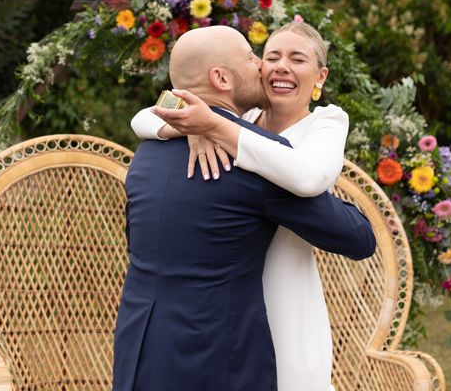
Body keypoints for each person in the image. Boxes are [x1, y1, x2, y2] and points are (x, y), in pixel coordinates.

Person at [113, 25, 375, 391]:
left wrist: (212, 125)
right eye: (260, 57)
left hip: (141, 348)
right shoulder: (245, 162)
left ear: (320, 75)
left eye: (296, 59)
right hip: (223, 346)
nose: (266, 67)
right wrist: (203, 126)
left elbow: (308, 175)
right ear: (220, 77)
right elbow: (359, 238)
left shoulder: (144, 158)